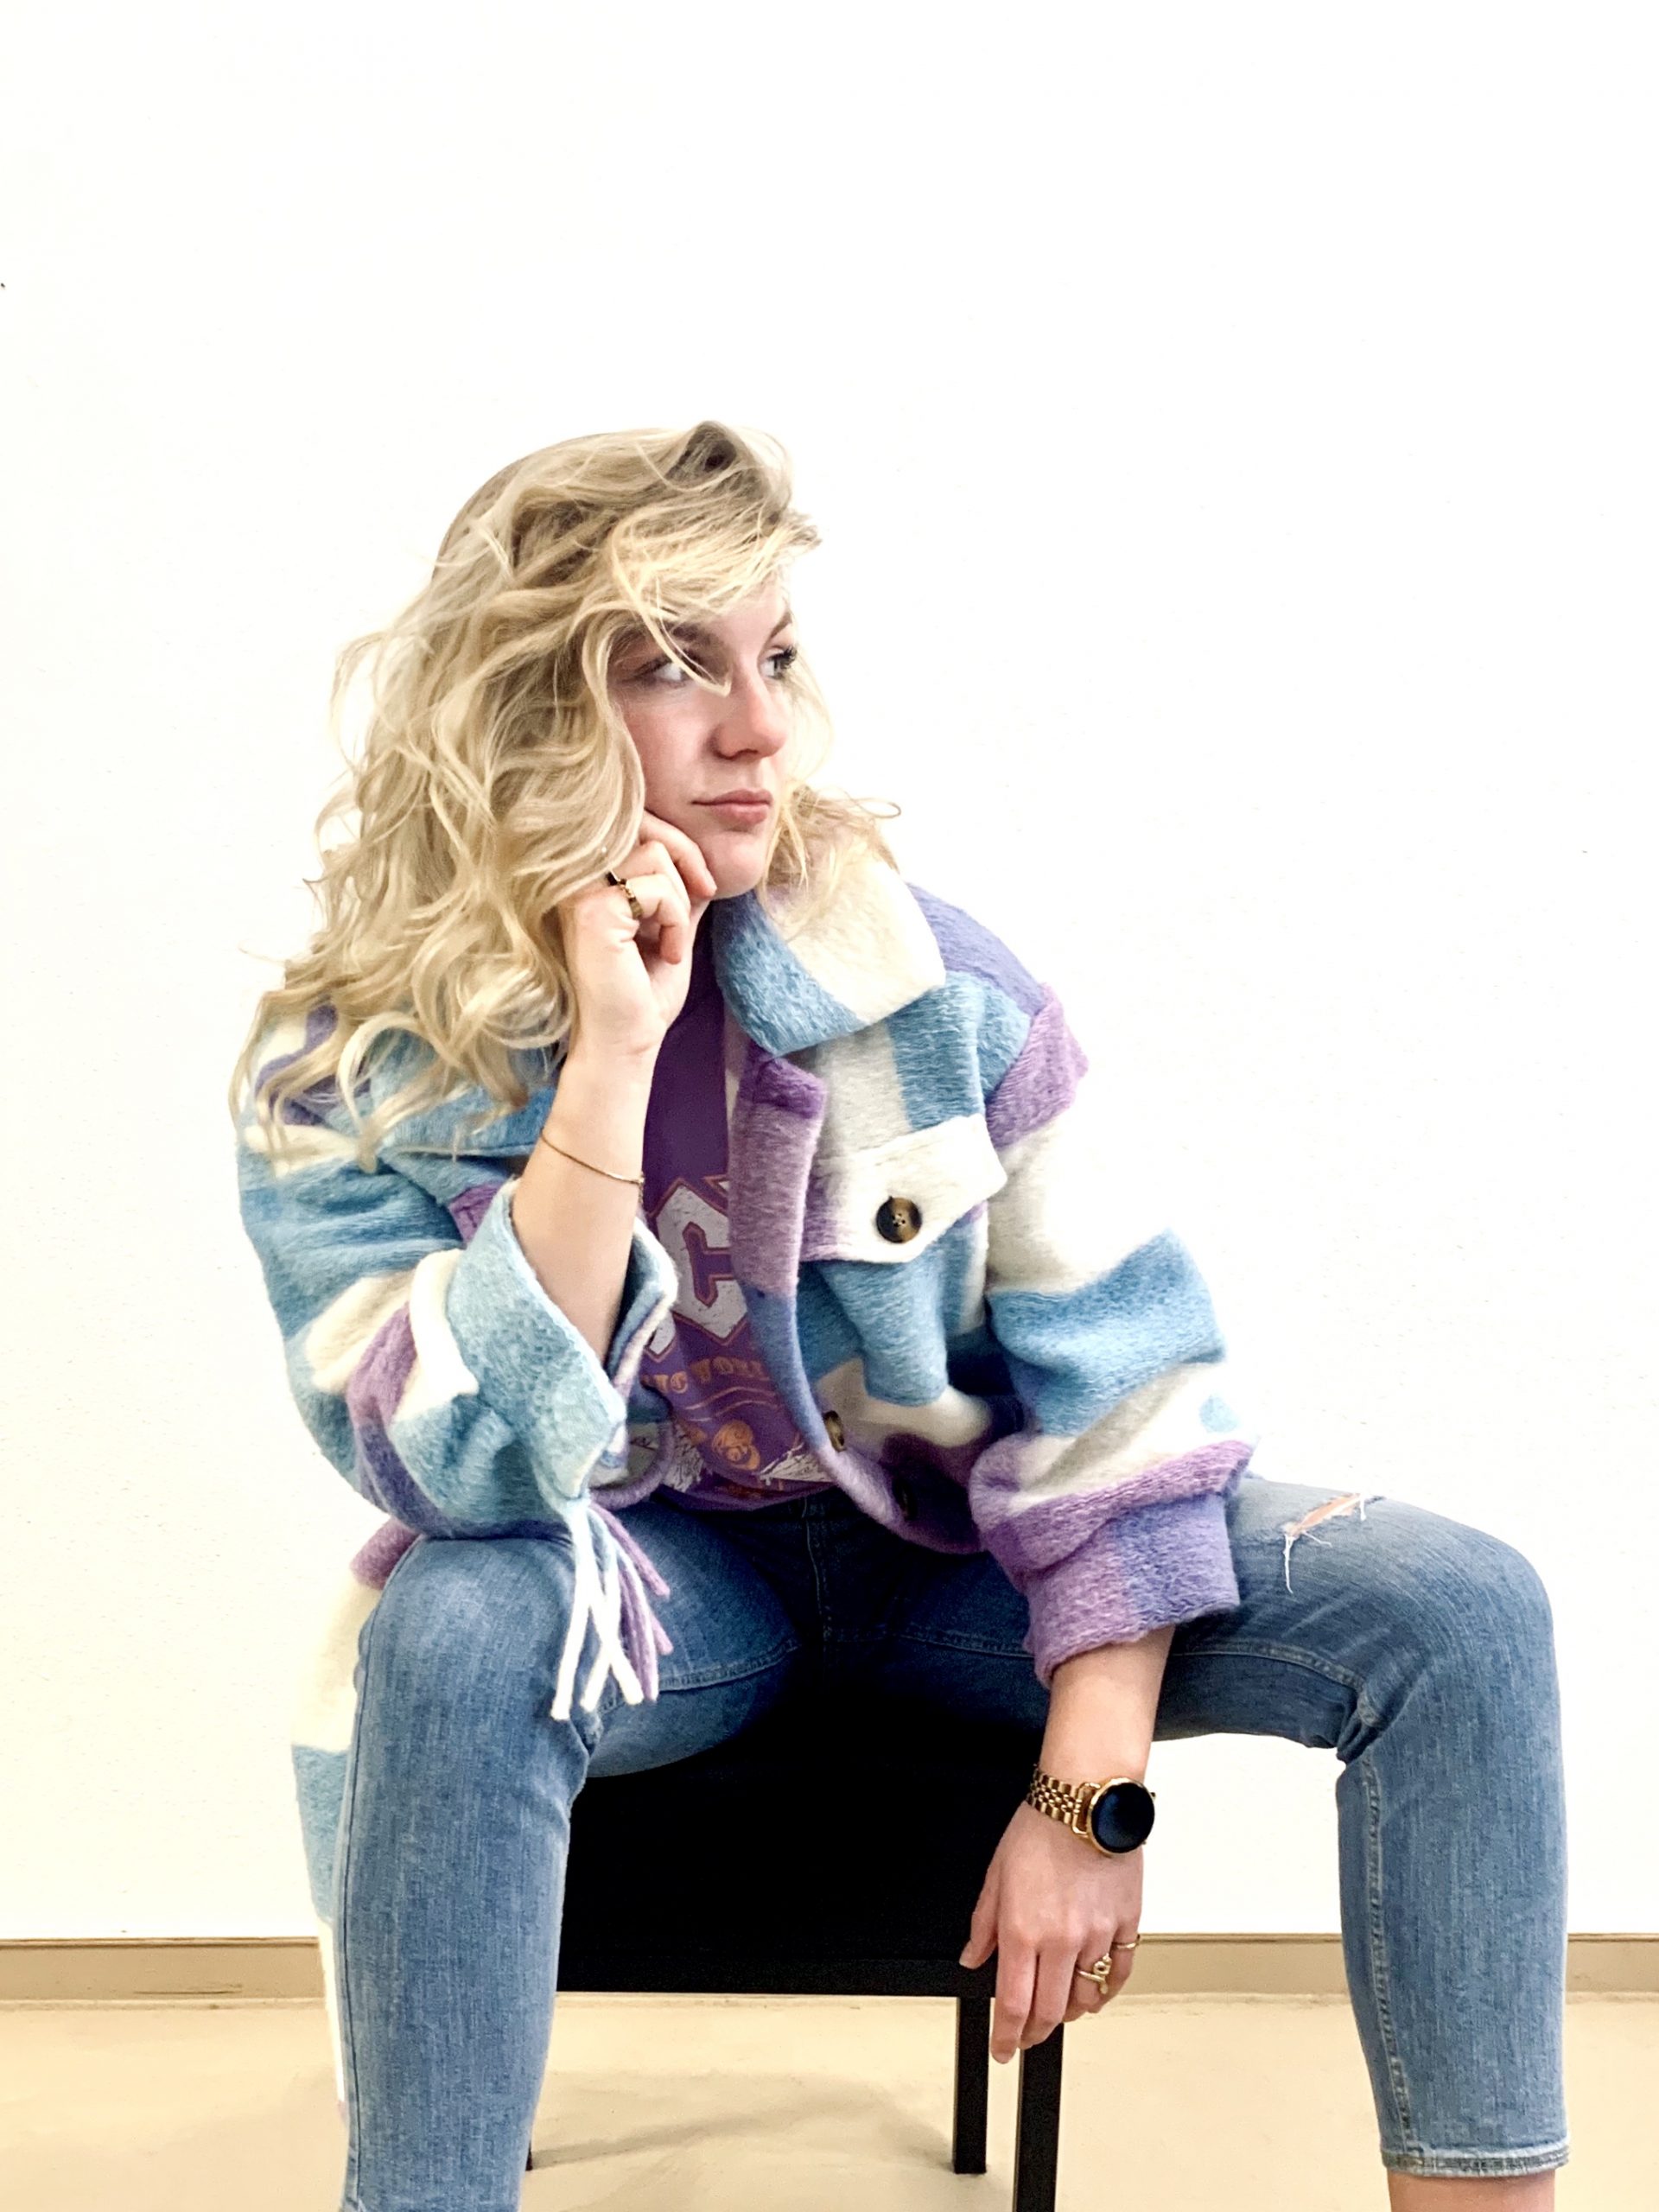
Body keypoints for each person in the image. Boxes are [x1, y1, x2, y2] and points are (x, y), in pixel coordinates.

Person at [228, 421, 1569, 2210]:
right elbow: (463, 1470)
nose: (758, 729)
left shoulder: (929, 987)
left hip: (961, 1564)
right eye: (675, 665)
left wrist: (1087, 1793)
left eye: (775, 656)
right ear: (525, 706)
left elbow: (1125, 1391)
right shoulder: (352, 1075)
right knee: (451, 1624)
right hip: (657, 1581)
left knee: (1461, 1608)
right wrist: (608, 1059)